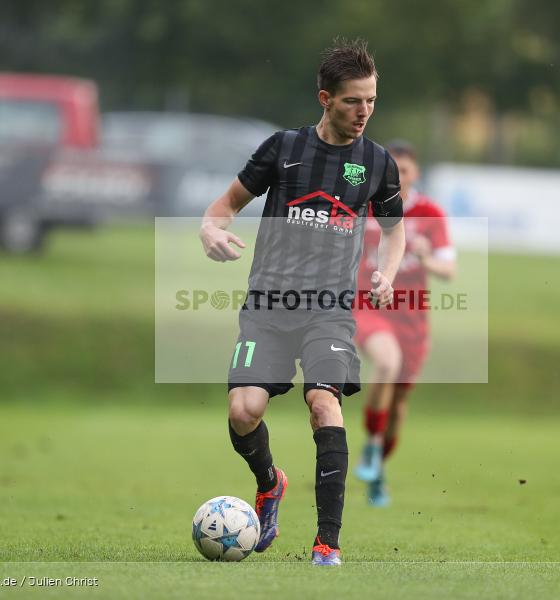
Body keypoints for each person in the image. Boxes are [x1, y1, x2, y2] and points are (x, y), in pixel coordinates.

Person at [199, 39, 405, 566]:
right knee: (244, 411)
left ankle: (326, 543)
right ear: (325, 99)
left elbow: (395, 231)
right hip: (267, 307)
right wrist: (210, 229)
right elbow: (225, 205)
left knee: (323, 404)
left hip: (329, 310)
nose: (363, 111)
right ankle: (270, 483)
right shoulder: (283, 148)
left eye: (371, 101)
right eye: (352, 101)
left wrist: (387, 272)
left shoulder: (377, 162)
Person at [353, 141, 456, 506]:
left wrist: (426, 259)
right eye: (391, 169)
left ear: (416, 174)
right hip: (368, 306)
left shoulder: (430, 213)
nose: (397, 176)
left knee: (397, 405)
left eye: (405, 170)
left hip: (412, 318)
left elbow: (449, 269)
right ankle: (371, 444)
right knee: (386, 362)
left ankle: (378, 466)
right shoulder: (365, 205)